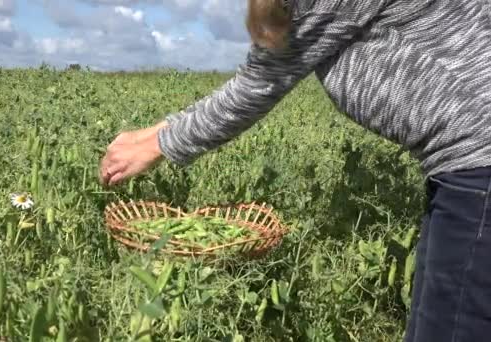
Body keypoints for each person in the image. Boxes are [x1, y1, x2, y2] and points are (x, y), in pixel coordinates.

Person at [99, 0, 491, 340]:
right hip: (464, 170)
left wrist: (156, 145)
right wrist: (155, 133)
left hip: (478, 167)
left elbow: (259, 84)